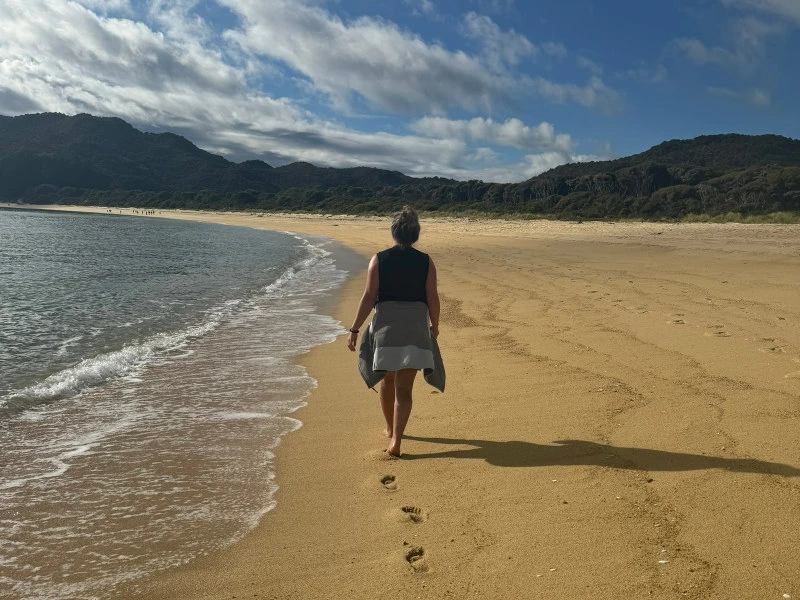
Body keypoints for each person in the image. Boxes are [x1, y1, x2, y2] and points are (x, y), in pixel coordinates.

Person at [347, 206, 440, 457]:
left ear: (393, 232)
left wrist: (354, 329)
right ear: (416, 234)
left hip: (386, 329)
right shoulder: (425, 261)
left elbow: (368, 297)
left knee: (387, 379)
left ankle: (390, 428)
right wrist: (435, 325)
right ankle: (396, 441)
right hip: (415, 328)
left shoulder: (379, 259)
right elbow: (432, 297)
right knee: (405, 388)